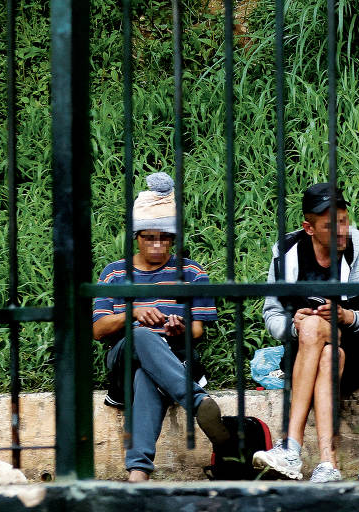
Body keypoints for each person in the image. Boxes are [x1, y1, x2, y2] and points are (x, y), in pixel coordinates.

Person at [92, 172, 230, 482]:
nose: (158, 245)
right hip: (122, 361)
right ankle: (197, 401)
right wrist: (134, 314)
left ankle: (138, 471)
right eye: (149, 237)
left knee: (147, 374)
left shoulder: (191, 272)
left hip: (174, 356)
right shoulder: (114, 273)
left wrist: (180, 328)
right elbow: (99, 330)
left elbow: (197, 332)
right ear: (136, 236)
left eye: (165, 238)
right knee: (140, 336)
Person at [253, 182, 359, 482]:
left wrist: (347, 316)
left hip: (357, 355)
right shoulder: (286, 254)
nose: (341, 231)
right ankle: (328, 462)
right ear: (309, 228)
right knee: (322, 347)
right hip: (310, 354)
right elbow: (271, 313)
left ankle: (291, 447)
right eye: (330, 226)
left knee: (316, 331)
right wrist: (292, 325)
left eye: (343, 220)